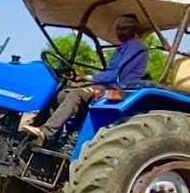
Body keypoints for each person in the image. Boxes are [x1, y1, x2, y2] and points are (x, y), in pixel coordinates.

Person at [21, 14, 148, 143]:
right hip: (109, 87)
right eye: (118, 29)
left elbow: (117, 75)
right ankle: (62, 133)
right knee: (61, 95)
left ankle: (46, 132)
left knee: (78, 94)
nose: (120, 32)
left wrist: (85, 78)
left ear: (134, 29)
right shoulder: (123, 47)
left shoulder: (136, 47)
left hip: (120, 93)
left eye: (124, 28)